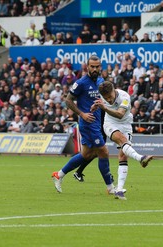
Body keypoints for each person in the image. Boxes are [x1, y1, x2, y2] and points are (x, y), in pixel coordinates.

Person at [51, 56, 115, 195]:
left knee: (86, 154)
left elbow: (102, 100)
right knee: (103, 151)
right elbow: (68, 100)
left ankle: (59, 174)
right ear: (87, 67)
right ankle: (111, 187)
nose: (95, 69)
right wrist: (82, 114)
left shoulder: (101, 82)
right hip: (88, 123)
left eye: (97, 66)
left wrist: (101, 105)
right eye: (92, 66)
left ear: (100, 67)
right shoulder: (81, 83)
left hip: (97, 122)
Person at [90, 81, 153, 200]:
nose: (108, 100)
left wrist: (104, 108)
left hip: (125, 124)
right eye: (106, 97)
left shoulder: (124, 97)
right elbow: (101, 103)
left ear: (114, 90)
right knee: (122, 140)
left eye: (110, 96)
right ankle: (140, 158)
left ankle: (119, 190)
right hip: (110, 124)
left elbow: (120, 114)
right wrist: (97, 106)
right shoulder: (103, 97)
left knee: (123, 156)